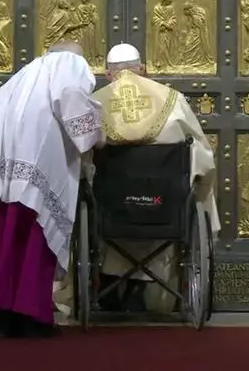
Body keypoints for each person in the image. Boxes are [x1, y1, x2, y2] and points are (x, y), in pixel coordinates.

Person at [0, 42, 104, 338]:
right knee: (29, 228)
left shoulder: (27, 73)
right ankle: (29, 314)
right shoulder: (69, 64)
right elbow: (72, 99)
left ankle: (3, 313)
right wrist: (98, 137)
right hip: (30, 154)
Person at [54, 43, 219, 314]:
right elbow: (202, 159)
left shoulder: (95, 102)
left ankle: (108, 284)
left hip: (110, 213)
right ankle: (144, 290)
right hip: (165, 211)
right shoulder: (172, 100)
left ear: (108, 74)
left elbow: (81, 162)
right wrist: (199, 190)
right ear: (143, 70)